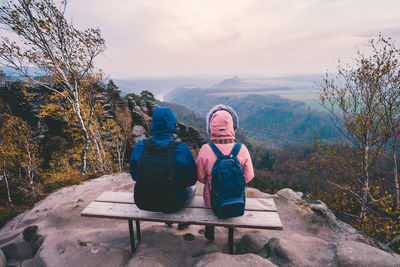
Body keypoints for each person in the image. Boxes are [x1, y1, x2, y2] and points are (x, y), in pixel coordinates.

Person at [195, 104, 254, 240]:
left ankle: (210, 230)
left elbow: (200, 177)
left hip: (212, 202)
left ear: (211, 127)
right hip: (236, 199)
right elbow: (249, 176)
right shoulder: (242, 149)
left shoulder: (205, 149)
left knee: (211, 199)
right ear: (233, 126)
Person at [129, 107, 197, 215]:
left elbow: (134, 176)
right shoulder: (181, 148)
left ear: (154, 124)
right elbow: (191, 180)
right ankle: (180, 220)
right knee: (192, 188)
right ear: (172, 124)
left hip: (143, 202)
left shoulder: (141, 146)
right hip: (173, 204)